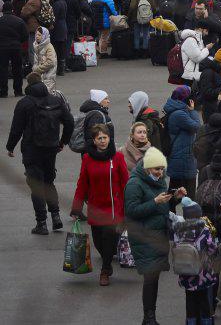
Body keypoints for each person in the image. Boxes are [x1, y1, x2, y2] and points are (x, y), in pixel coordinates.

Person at [5, 71, 73, 234]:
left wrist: (10, 147)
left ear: (28, 84)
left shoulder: (24, 103)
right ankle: (56, 217)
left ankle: (41, 223)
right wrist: (62, 141)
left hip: (32, 149)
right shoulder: (56, 100)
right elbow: (69, 122)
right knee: (49, 181)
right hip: (51, 147)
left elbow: (17, 128)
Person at [125, 147, 187, 325]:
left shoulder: (158, 180)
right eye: (156, 169)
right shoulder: (134, 184)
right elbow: (131, 211)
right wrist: (154, 202)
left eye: (162, 169)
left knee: (154, 277)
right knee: (150, 277)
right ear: (147, 168)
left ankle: (149, 317)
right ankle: (149, 318)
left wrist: (174, 197)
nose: (160, 173)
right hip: (144, 237)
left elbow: (162, 204)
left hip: (158, 235)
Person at [70, 122, 129, 284]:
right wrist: (76, 207)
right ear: (94, 141)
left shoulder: (117, 157)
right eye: (99, 138)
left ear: (109, 139)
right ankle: (107, 260)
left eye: (105, 137)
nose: (103, 141)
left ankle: (105, 269)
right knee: (98, 241)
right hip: (95, 207)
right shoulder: (88, 159)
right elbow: (82, 184)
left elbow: (126, 182)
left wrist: (129, 205)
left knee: (109, 238)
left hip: (114, 208)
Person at [169, 197, 219, 325]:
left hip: (186, 272)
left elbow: (175, 247)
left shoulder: (178, 230)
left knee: (190, 302)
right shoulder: (204, 230)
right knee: (204, 302)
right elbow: (212, 248)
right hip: (203, 273)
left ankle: (191, 322)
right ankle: (206, 322)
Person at [164, 85, 202, 198]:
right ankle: (184, 215)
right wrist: (193, 111)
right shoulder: (179, 114)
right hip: (183, 158)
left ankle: (171, 213)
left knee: (174, 191)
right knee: (186, 194)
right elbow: (197, 126)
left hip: (181, 156)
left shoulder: (177, 110)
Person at [0, 0, 28, 97]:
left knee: (2, 69)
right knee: (17, 69)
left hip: (2, 48)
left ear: (2, 10)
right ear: (12, 10)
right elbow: (25, 35)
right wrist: (18, 42)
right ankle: (18, 91)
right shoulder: (19, 21)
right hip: (16, 47)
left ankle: (3, 92)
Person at [31, 26, 57, 90]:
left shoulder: (49, 47)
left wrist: (37, 69)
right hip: (39, 75)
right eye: (36, 34)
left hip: (48, 75)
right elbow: (36, 61)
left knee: (47, 93)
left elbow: (51, 62)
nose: (37, 36)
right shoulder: (37, 46)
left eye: (39, 35)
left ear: (44, 36)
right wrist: (34, 69)